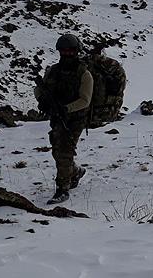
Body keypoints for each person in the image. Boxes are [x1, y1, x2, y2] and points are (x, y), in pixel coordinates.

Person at [35, 34, 93, 204]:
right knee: (57, 149)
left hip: (75, 119)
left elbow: (85, 100)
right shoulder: (53, 71)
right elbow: (40, 89)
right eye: (63, 51)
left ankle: (62, 189)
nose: (67, 54)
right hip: (57, 116)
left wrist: (66, 109)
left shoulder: (84, 74)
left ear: (77, 51)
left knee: (64, 152)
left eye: (70, 51)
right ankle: (75, 172)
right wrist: (43, 100)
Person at [85, 43, 127, 128]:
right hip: (107, 114)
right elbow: (120, 91)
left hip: (99, 113)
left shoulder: (84, 65)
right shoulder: (113, 66)